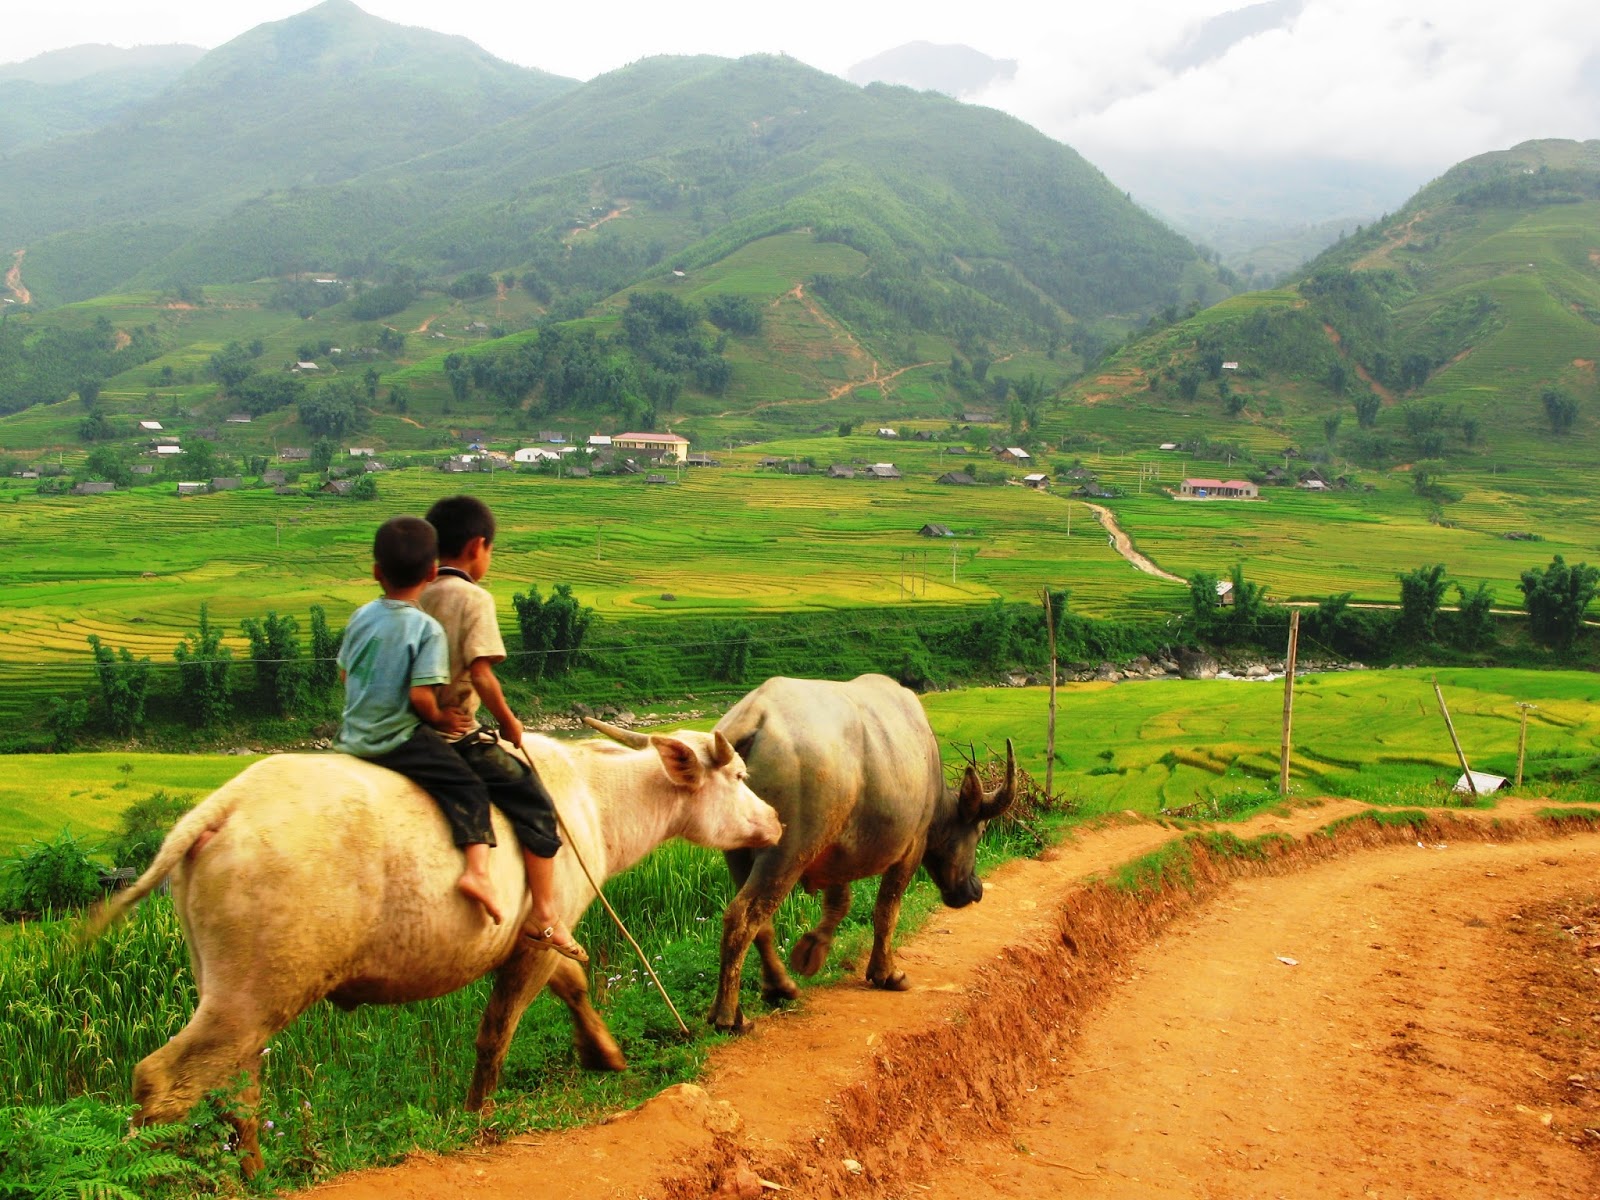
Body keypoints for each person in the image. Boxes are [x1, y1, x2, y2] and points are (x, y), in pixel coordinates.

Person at [420, 494, 587, 964]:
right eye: (490, 551)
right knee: (534, 800)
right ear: (478, 547)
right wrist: (510, 723)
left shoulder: (416, 592)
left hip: (407, 730)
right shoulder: (472, 597)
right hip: (454, 734)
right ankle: (545, 915)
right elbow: (482, 673)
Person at [335, 515, 506, 925]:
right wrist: (440, 718)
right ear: (432, 573)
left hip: (351, 734)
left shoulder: (360, 615)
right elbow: (418, 696)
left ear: (377, 572)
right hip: (398, 739)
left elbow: (344, 673)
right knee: (468, 786)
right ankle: (479, 873)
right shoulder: (425, 629)